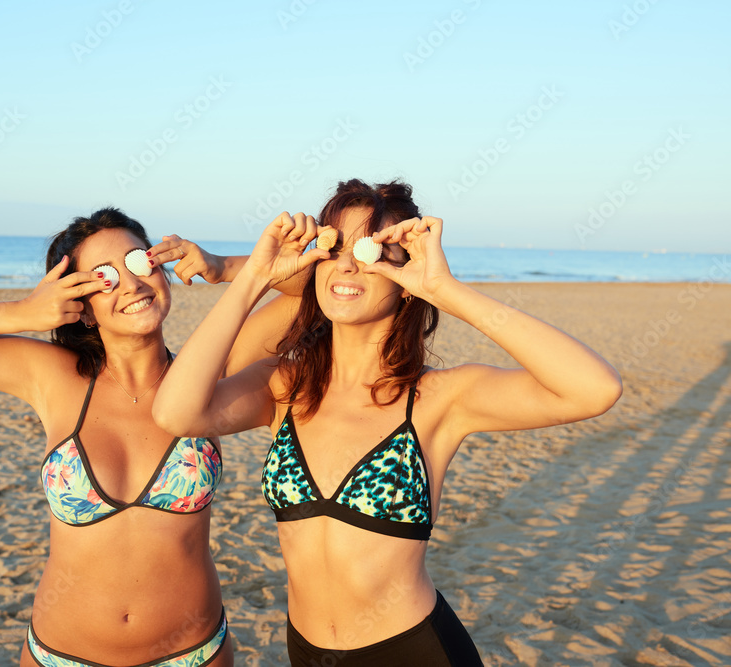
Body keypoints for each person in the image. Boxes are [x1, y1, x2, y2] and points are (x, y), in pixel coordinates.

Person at [152, 179, 623, 665]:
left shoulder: (439, 398)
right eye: (333, 247)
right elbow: (176, 411)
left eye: (370, 249)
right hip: (308, 651)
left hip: (412, 651)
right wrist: (253, 274)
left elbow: (595, 389)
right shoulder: (284, 385)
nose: (348, 264)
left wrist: (445, 290)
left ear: (404, 280)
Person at [0, 207, 301, 667]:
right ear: (82, 308)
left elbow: (307, 291)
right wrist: (22, 312)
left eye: (140, 262)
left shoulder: (210, 372)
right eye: (104, 278)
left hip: (192, 653)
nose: (132, 284)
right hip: (63, 654)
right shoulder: (52, 377)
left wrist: (223, 267)